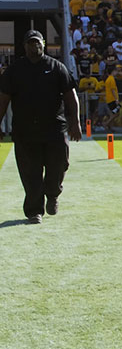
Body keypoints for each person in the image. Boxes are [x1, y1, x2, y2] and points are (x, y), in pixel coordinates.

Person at [0, 30, 83, 223]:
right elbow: (3, 99)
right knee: (30, 172)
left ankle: (53, 194)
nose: (34, 46)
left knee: (59, 166)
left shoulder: (57, 67)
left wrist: (75, 122)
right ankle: (34, 210)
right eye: (30, 43)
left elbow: (71, 97)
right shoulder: (14, 70)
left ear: (44, 44)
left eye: (37, 42)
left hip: (55, 128)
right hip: (24, 131)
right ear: (24, 46)